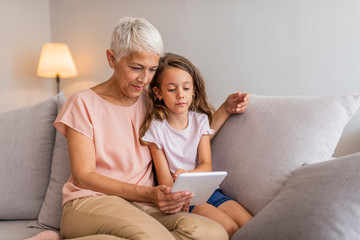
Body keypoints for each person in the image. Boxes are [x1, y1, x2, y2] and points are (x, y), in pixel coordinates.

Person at [54, 17, 249, 240]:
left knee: (214, 233)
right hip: (91, 202)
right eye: (136, 68)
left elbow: (188, 133)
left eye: (151, 70)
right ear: (112, 58)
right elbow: (83, 176)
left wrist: (225, 109)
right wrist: (149, 194)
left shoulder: (152, 100)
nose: (144, 79)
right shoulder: (82, 103)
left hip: (145, 206)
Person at [139, 53, 252, 238]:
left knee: (249, 224)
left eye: (185, 88)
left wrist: (188, 175)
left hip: (211, 191)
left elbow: (206, 165)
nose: (180, 95)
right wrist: (180, 185)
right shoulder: (156, 130)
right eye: (171, 89)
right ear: (158, 93)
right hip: (183, 198)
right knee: (229, 228)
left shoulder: (200, 122)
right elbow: (165, 180)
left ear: (193, 90)